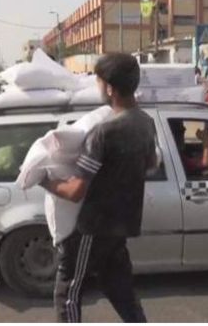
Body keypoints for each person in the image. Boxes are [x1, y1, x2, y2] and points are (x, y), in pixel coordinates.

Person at [41, 53, 156, 323]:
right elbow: (150, 165)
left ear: (110, 89)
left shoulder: (104, 133)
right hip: (121, 226)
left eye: (98, 82)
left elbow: (75, 191)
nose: (98, 88)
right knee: (120, 290)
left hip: (92, 229)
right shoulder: (146, 123)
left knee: (68, 291)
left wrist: (44, 180)